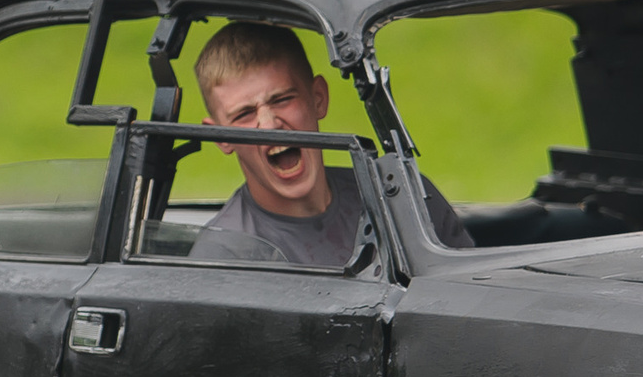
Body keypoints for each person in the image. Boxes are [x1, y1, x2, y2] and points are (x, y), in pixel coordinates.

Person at [187, 21, 475, 263]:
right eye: (244, 114)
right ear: (221, 137)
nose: (269, 124)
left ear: (318, 99)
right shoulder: (224, 258)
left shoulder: (405, 202)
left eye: (282, 99)